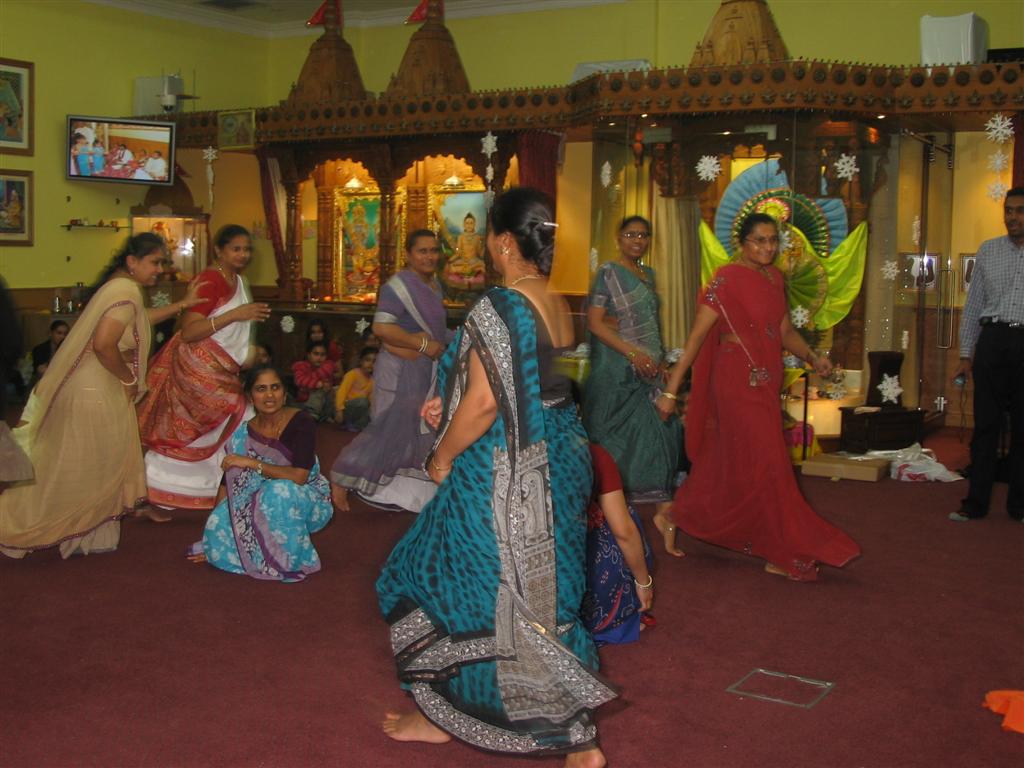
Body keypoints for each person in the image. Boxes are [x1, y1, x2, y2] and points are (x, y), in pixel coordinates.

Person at [377, 188, 614, 766]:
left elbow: (486, 404)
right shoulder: (553, 299)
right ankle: (562, 737)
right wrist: (449, 402)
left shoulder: (498, 305)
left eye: (487, 234)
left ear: (504, 242)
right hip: (560, 457)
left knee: (428, 574)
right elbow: (533, 385)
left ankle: (461, 713)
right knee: (537, 593)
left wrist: (441, 455)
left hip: (503, 467)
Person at [657, 213, 861, 581]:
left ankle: (673, 514)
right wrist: (672, 389)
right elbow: (696, 338)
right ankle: (779, 549)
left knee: (733, 462)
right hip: (735, 379)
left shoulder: (774, 278)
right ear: (742, 243)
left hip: (765, 381)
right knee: (769, 462)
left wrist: (813, 356)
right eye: (759, 241)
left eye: (772, 241)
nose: (767, 248)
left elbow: (783, 330)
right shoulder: (725, 279)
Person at [0, 234, 205, 558]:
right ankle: (18, 525)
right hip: (95, 389)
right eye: (154, 262)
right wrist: (127, 379)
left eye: (162, 262)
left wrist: (181, 305)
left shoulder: (119, 287)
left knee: (82, 463)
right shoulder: (124, 290)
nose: (160, 269)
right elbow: (104, 344)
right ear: (132, 262)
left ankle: (85, 536)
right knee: (83, 466)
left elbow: (136, 322)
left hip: (89, 387)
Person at [138, 224, 271, 511]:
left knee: (220, 424)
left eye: (247, 249)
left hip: (221, 367)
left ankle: (200, 489)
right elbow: (189, 331)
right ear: (219, 250)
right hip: (198, 365)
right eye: (236, 248)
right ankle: (160, 484)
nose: (243, 254)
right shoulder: (210, 280)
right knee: (237, 412)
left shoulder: (236, 279)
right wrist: (238, 314)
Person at [582, 215, 685, 556]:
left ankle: (661, 514)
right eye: (630, 234)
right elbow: (595, 324)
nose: (637, 240)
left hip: (648, 372)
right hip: (616, 374)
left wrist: (662, 361)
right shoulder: (609, 273)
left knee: (660, 438)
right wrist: (633, 354)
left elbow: (650, 324)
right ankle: (599, 519)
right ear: (618, 237)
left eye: (643, 235)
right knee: (611, 444)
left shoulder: (648, 274)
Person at [329, 230, 449, 513]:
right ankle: (341, 477)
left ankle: (400, 487)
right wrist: (422, 344)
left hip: (423, 368)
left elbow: (435, 331)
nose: (429, 256)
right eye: (422, 251)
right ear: (407, 254)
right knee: (387, 427)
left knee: (413, 429)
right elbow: (382, 328)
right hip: (398, 371)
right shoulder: (398, 287)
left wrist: (446, 342)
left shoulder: (434, 285)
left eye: (434, 251)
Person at [186, 366, 333, 581]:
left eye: (275, 388)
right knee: (218, 527)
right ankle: (253, 555)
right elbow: (229, 483)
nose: (269, 395)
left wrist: (251, 463)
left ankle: (289, 561)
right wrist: (214, 530)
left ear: (284, 394)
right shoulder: (243, 433)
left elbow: (299, 476)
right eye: (261, 389)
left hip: (304, 498)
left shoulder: (302, 422)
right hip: (255, 499)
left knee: (278, 492)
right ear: (250, 397)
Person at [950, 187, 1024, 523]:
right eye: (1009, 210)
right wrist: (966, 353)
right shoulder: (989, 250)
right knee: (986, 427)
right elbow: (974, 306)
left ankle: (1019, 506)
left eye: (1020, 211)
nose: (1013, 217)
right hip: (993, 341)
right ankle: (975, 503)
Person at [582, 443, 655, 646]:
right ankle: (612, 619)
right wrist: (644, 582)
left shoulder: (491, 449)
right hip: (570, 566)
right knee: (624, 518)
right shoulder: (591, 454)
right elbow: (624, 532)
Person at [291, 340, 336, 422]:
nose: (319, 357)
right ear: (308, 355)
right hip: (305, 403)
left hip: (324, 405)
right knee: (319, 388)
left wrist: (322, 384)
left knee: (334, 390)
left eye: (323, 355)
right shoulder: (301, 366)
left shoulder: (327, 366)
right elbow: (299, 380)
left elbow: (327, 383)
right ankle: (311, 415)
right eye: (316, 354)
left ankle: (325, 416)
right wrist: (316, 383)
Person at [334, 347, 375, 431]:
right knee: (363, 401)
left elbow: (371, 398)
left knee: (373, 409)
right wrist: (339, 410)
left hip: (360, 410)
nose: (371, 364)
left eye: (374, 362)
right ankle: (347, 422)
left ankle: (356, 425)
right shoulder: (352, 374)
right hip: (344, 408)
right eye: (367, 360)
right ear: (360, 361)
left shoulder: (373, 380)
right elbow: (341, 392)